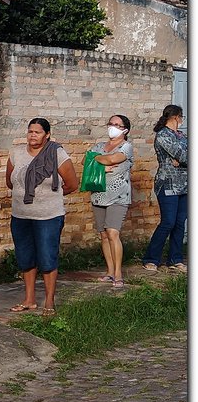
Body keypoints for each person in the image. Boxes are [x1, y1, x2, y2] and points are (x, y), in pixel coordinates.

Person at [5, 118, 79, 318]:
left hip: (48, 216)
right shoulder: (16, 153)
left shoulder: (57, 154)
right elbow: (11, 182)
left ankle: (49, 301)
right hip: (21, 214)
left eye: (37, 132)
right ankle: (29, 299)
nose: (32, 136)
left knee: (47, 257)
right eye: (30, 131)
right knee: (25, 257)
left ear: (47, 135)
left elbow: (72, 184)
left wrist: (48, 198)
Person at [89, 114, 134, 289]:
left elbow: (113, 159)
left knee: (113, 233)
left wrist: (97, 160)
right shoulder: (100, 145)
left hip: (118, 196)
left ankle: (118, 274)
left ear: (125, 129)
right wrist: (100, 163)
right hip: (98, 194)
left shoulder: (126, 147)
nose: (112, 127)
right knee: (103, 235)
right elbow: (87, 160)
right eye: (110, 123)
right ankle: (109, 271)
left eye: (117, 124)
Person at [142, 105, 187, 273]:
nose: (181, 120)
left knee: (180, 223)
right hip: (167, 184)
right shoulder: (163, 135)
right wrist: (182, 159)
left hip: (185, 185)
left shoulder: (182, 136)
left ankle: (175, 258)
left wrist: (180, 160)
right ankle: (151, 258)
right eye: (181, 117)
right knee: (168, 222)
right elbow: (184, 155)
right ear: (176, 117)